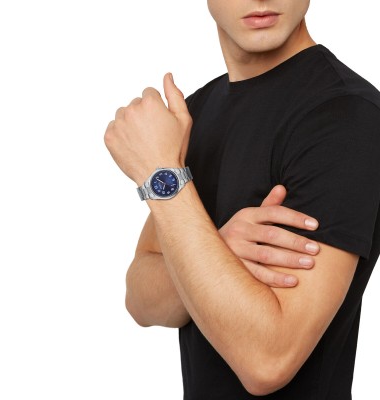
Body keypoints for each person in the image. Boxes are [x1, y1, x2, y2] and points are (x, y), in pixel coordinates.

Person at [104, 0, 380, 398]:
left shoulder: (344, 116)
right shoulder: (196, 111)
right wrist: (218, 248)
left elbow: (267, 361)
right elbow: (141, 300)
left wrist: (160, 174)